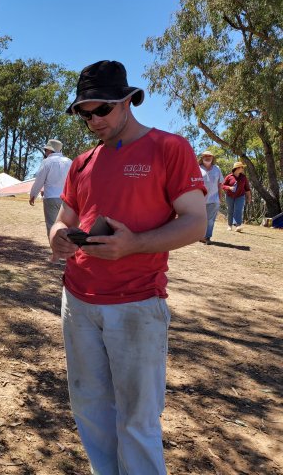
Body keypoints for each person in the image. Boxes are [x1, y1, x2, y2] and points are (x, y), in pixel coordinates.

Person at [49, 60, 207, 474]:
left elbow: (196, 222)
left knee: (137, 418)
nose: (94, 121)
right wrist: (57, 236)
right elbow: (64, 219)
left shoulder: (169, 148)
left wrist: (134, 244)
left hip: (137, 302)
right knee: (89, 406)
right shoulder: (81, 163)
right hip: (78, 300)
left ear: (127, 101)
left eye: (102, 109)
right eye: (85, 114)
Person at [29, 139, 72, 237]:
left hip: (51, 198)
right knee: (66, 227)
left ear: (50, 150)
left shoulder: (47, 162)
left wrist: (33, 195)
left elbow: (39, 180)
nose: (45, 152)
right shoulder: (69, 161)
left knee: (52, 227)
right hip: (67, 199)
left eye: (45, 150)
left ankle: (54, 246)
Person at [198, 150, 224, 244]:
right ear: (202, 158)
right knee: (200, 219)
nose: (207, 157)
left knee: (210, 220)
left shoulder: (217, 169)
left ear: (213, 158)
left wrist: (220, 198)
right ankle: (199, 235)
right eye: (205, 156)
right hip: (199, 199)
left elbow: (220, 184)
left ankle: (207, 237)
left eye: (210, 156)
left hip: (214, 199)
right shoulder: (197, 168)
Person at [222, 161, 251, 232]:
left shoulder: (243, 177)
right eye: (242, 167)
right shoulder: (229, 177)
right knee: (230, 210)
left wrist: (249, 197)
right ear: (237, 168)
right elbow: (223, 185)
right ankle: (229, 225)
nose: (243, 169)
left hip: (240, 196)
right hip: (229, 196)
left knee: (238, 210)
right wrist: (229, 188)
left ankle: (238, 226)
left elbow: (247, 188)